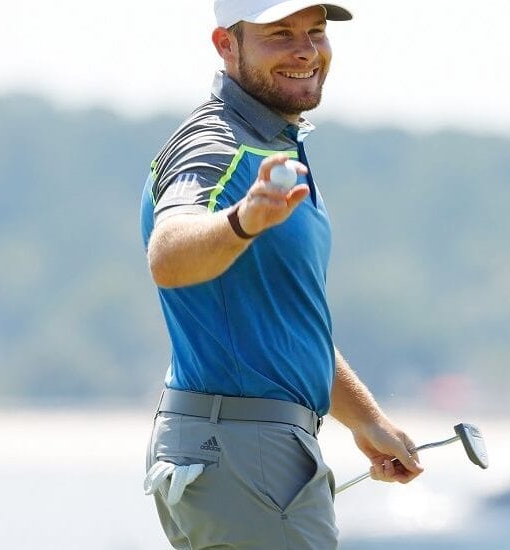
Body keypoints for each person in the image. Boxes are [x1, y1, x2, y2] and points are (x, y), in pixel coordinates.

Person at [138, 1, 424, 548]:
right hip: (247, 451)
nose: (304, 51)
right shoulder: (217, 144)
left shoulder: (270, 141)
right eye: (279, 35)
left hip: (245, 448)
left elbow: (282, 321)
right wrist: (244, 220)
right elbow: (168, 254)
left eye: (315, 32)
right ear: (226, 45)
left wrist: (366, 420)